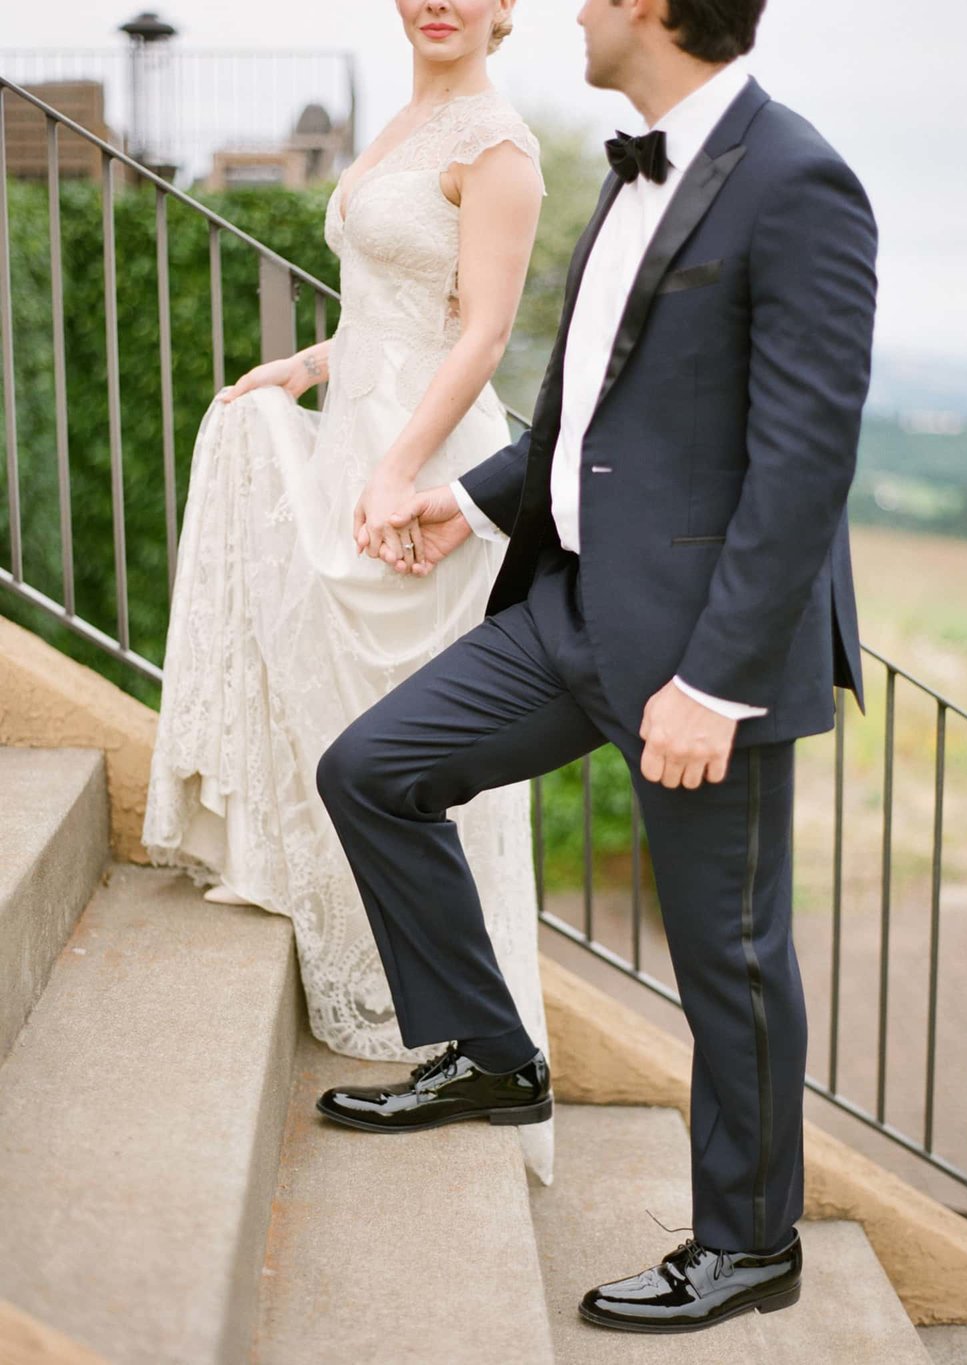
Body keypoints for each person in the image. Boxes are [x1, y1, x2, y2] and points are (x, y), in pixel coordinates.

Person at [314, 0, 878, 1336]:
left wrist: (721, 684)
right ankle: (496, 1057)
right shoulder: (635, 165)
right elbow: (597, 414)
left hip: (700, 657)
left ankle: (749, 1244)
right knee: (373, 771)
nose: (572, 7)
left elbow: (804, 465)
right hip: (571, 608)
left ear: (653, 7)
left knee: (727, 956)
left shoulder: (797, 180)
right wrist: (471, 502)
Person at [141, 0, 557, 1185]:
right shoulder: (406, 119)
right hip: (360, 427)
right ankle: (379, 961)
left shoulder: (500, 149)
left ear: (502, 11)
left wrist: (392, 469)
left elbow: (477, 335)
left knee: (408, 730)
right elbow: (391, 309)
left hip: (423, 454)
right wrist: (306, 365)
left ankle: (468, 1031)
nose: (438, 1)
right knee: (342, 711)